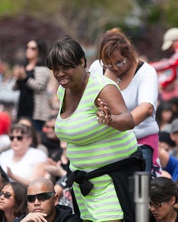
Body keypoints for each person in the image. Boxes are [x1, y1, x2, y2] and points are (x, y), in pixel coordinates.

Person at [48, 37, 142, 222]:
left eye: (65, 67)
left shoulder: (102, 87)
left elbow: (128, 120)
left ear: (82, 62)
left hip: (113, 181)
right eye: (55, 69)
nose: (60, 73)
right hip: (84, 183)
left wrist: (109, 120)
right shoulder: (63, 91)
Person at [88, 28, 160, 176]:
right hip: (106, 144)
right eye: (108, 64)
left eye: (119, 63)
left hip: (140, 143)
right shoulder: (96, 68)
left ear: (129, 55)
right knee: (112, 193)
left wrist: (117, 122)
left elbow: (146, 108)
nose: (114, 68)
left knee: (139, 196)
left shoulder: (146, 72)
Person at [13, 38, 51, 131]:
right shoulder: (22, 67)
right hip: (22, 108)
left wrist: (25, 78)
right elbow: (14, 88)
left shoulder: (42, 68)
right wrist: (18, 79)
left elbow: (40, 87)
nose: (29, 50)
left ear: (39, 51)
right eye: (27, 47)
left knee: (35, 136)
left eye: (33, 48)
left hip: (35, 112)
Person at [17, 178, 81, 222]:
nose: (36, 203)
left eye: (42, 197)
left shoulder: (71, 221)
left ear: (55, 199)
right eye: (31, 198)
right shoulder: (22, 221)